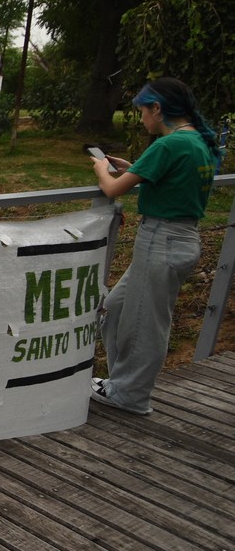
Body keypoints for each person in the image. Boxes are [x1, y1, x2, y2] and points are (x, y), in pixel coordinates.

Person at [88, 77, 222, 415]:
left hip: (161, 241)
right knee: (116, 309)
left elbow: (112, 190)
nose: (142, 118)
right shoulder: (198, 142)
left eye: (143, 111)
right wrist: (134, 169)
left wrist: (102, 168)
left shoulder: (168, 145)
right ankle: (121, 382)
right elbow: (174, 181)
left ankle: (131, 395)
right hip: (180, 238)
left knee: (146, 324)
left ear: (158, 109)